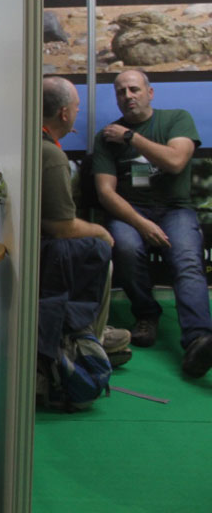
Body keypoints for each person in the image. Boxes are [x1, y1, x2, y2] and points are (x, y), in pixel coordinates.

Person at [92, 69, 212, 378]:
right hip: (130, 210)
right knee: (126, 247)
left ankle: (199, 340)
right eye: (121, 92)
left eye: (134, 89)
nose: (128, 96)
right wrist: (142, 224)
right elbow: (106, 192)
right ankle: (146, 315)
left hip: (175, 209)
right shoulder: (106, 137)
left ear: (150, 92)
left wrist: (130, 137)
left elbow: (175, 161)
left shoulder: (176, 119)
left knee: (187, 260)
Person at [40, 76, 131, 364]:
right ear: (64, 113)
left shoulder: (33, 142)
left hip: (35, 241)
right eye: (76, 107)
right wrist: (99, 232)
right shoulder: (50, 154)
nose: (78, 111)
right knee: (100, 249)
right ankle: (91, 339)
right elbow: (61, 227)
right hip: (45, 246)